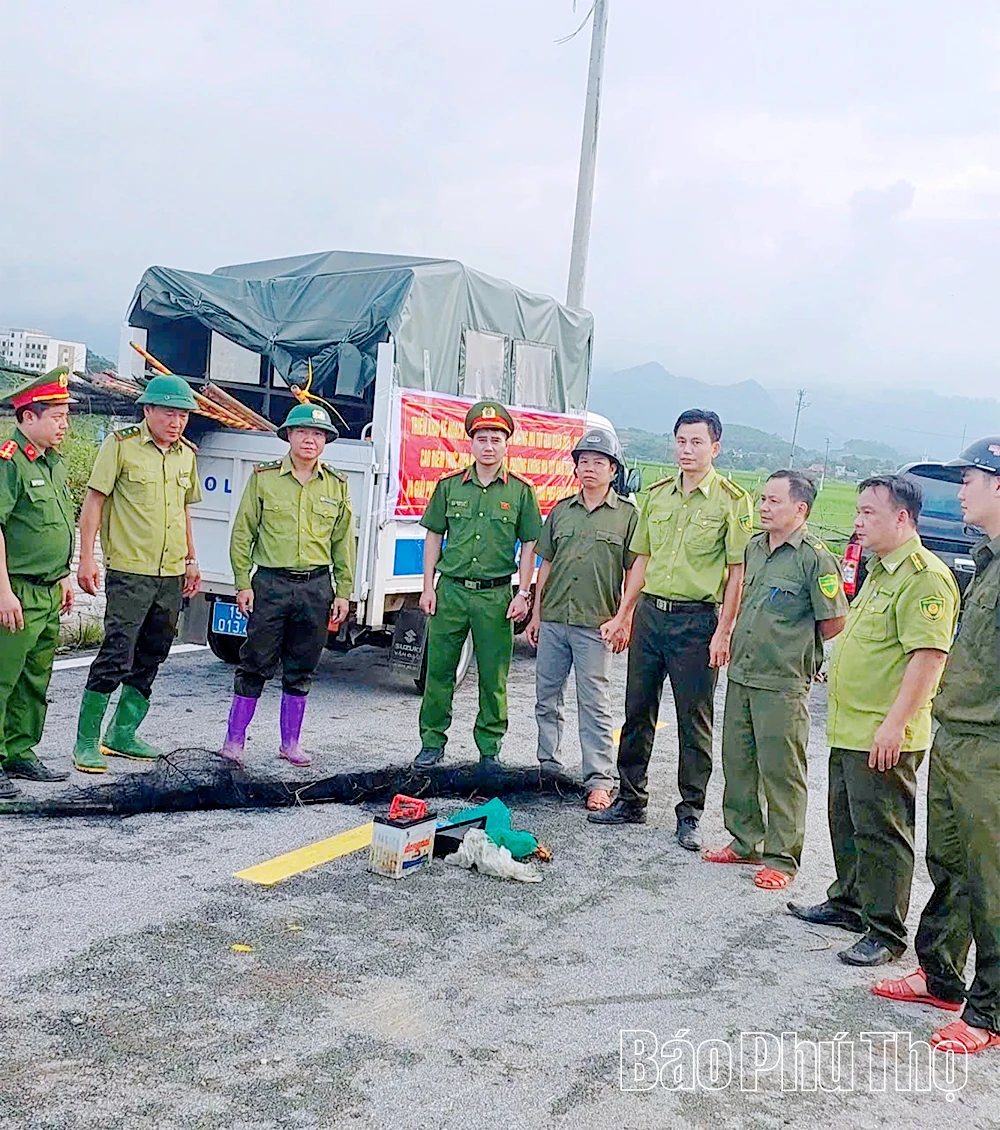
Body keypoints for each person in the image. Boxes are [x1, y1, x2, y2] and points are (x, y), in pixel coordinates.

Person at [788, 474, 959, 967]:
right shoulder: (882, 569)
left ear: (902, 518)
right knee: (846, 821)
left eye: (869, 513)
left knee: (883, 833)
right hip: (850, 725)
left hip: (882, 731)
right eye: (858, 512)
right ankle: (849, 901)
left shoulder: (924, 577)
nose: (858, 522)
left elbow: (928, 657)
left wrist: (895, 724)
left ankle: (885, 931)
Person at [872, 439, 1000, 1054]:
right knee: (949, 862)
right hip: (957, 734)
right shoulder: (988, 560)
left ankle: (989, 1012)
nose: (961, 490)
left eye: (971, 479)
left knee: (991, 878)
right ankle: (941, 976)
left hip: (991, 747)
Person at [589, 409, 753, 850]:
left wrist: (724, 631)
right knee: (637, 710)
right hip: (651, 614)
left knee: (693, 721)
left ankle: (691, 812)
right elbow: (641, 559)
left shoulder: (731, 501)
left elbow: (736, 573)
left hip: (697, 621)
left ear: (715, 448)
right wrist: (624, 614)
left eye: (697, 442)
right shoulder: (658, 495)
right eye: (681, 441)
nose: (687, 450)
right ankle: (630, 798)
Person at [703, 470, 847, 889]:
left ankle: (782, 857)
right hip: (743, 672)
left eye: (773, 501)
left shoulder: (815, 558)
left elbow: (834, 620)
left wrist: (792, 648)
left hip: (782, 681)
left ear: (800, 509)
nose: (763, 507)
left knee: (781, 771)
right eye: (762, 499)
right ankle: (745, 840)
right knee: (738, 761)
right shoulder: (755, 548)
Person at [72, 374, 202, 773]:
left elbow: (184, 509)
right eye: (168, 413)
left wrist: (191, 559)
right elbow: (94, 502)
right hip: (130, 570)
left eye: (183, 415)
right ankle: (86, 742)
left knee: (154, 651)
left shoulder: (186, 455)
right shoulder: (121, 445)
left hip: (170, 572)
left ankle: (122, 733)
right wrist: (87, 558)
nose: (176, 422)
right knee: (117, 652)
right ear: (148, 410)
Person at [220, 402, 354, 766]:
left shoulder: (337, 485)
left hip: (316, 587)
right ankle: (234, 740)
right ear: (289, 436)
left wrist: (343, 591)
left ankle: (290, 743)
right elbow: (243, 533)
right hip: (271, 584)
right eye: (302, 432)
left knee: (302, 666)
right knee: (255, 662)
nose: (310, 440)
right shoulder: (264, 479)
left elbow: (343, 543)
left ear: (325, 441)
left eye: (318, 434)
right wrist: (242, 582)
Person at [413, 400, 542, 769]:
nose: (488, 446)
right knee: (439, 672)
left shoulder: (520, 492)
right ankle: (432, 743)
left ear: (506, 445)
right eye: (482, 439)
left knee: (493, 677)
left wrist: (523, 593)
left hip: (495, 597)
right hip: (451, 592)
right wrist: (428, 587)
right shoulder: (450, 486)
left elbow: (530, 544)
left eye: (496, 439)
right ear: (471, 443)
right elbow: (434, 536)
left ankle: (489, 750)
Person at [525, 427, 640, 810]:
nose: (590, 468)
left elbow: (634, 572)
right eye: (583, 461)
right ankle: (548, 769)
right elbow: (546, 565)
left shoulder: (627, 516)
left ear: (613, 470)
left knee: (595, 704)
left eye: (599, 462)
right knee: (546, 699)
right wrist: (536, 614)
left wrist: (625, 619)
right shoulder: (561, 511)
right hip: (555, 619)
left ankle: (599, 781)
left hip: (597, 625)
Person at [0, 369, 77, 799]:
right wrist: (3, 591)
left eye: (66, 416)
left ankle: (19, 750)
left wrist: (63, 576)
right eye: (57, 416)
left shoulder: (52, 462)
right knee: (3, 675)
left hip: (47, 590)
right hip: (17, 589)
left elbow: (50, 524)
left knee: (34, 677)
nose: (64, 424)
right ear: (29, 417)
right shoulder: (9, 462)